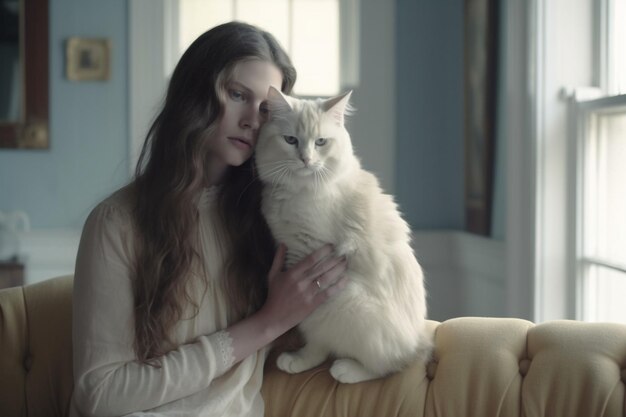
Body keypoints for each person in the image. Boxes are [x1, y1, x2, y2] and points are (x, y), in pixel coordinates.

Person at [70, 22, 348, 417]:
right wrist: (266, 323)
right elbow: (100, 395)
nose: (254, 119)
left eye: (266, 108)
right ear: (195, 94)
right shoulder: (116, 223)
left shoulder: (272, 222)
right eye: (237, 95)